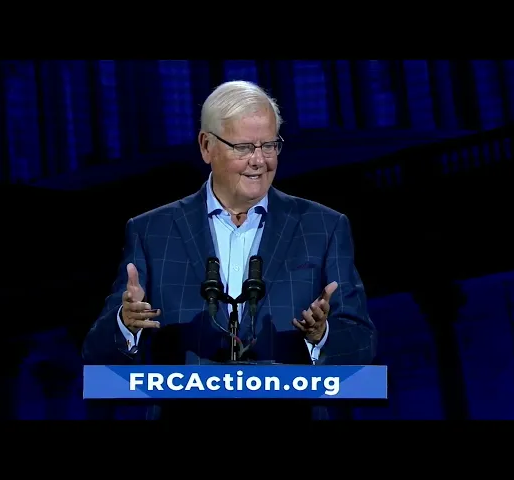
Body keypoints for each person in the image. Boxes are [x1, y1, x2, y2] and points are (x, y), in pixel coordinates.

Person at [82, 80, 376, 420]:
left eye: (269, 145)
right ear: (207, 146)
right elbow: (96, 355)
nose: (259, 160)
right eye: (243, 147)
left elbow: (362, 344)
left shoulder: (323, 227)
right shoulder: (152, 232)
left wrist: (321, 335)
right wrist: (125, 324)